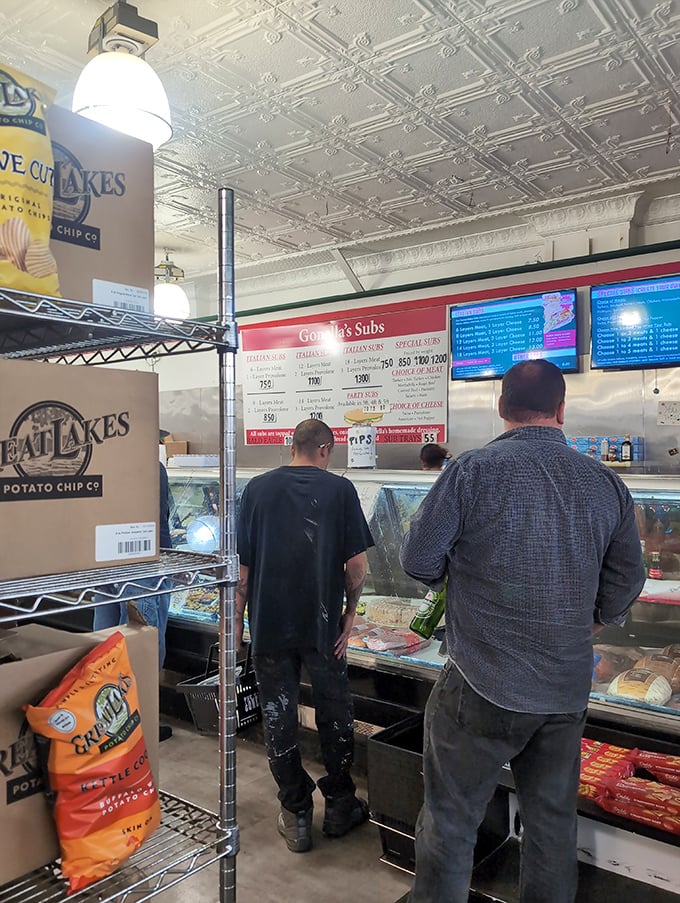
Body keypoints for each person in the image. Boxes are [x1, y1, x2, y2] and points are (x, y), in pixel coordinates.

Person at [400, 359, 645, 903]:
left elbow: (417, 559)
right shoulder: (605, 482)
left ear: (500, 407)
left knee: (450, 821)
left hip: (480, 684)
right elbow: (631, 576)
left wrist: (456, 575)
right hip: (563, 689)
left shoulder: (469, 471)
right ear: (561, 410)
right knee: (553, 826)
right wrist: (594, 619)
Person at [236, 418, 374, 853]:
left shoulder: (256, 489)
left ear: (290, 446)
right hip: (322, 628)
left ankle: (295, 813)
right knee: (335, 714)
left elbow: (241, 573)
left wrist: (236, 628)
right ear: (326, 450)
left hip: (269, 625)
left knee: (278, 715)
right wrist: (350, 616)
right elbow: (356, 567)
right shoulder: (340, 490)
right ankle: (339, 805)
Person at [93, 458, 174, 741]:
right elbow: (161, 513)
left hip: (103, 558)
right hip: (145, 564)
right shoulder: (150, 466)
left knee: (104, 642)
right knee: (142, 645)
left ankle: (105, 722)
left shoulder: (100, 462)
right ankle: (141, 725)